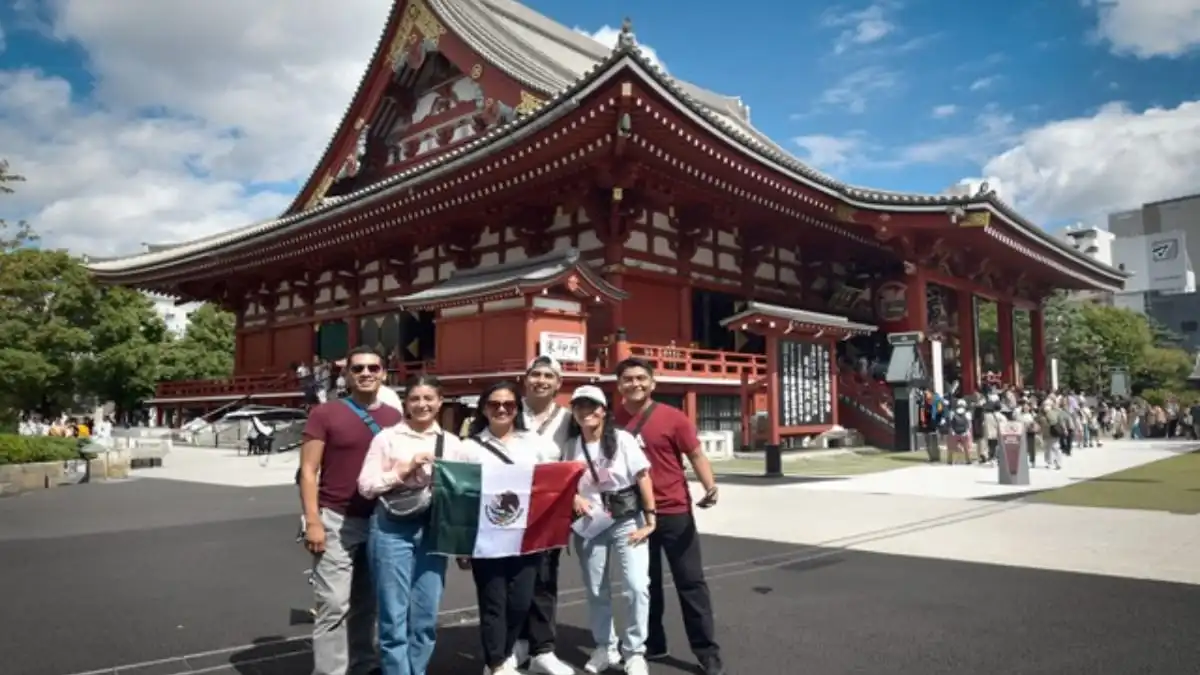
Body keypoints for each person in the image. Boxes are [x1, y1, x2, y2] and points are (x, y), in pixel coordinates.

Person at [612, 358, 725, 675]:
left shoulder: (673, 418)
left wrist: (710, 486)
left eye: (641, 378)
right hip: (634, 514)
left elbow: (696, 454)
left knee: (690, 583)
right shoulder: (612, 420)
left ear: (652, 383)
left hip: (674, 511)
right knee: (644, 585)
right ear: (619, 384)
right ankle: (652, 643)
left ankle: (706, 651)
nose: (635, 384)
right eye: (628, 379)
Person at [299, 346, 404, 675]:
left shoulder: (394, 417)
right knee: (333, 604)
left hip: (380, 520)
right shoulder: (325, 414)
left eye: (373, 367)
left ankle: (362, 664)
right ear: (347, 375)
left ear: (384, 374)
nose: (366, 373)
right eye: (358, 368)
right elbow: (307, 470)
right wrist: (312, 520)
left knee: (366, 602)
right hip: (335, 517)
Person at [357, 374, 467, 675]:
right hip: (392, 527)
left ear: (440, 401)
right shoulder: (387, 438)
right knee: (393, 615)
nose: (422, 404)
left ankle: (415, 670)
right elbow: (365, 486)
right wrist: (402, 471)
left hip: (434, 530)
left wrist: (462, 544)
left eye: (428, 398)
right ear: (406, 402)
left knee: (425, 615)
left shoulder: (453, 443)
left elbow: (461, 495)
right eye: (415, 398)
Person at [459, 381, 561, 675]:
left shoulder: (535, 444)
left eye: (509, 404)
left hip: (526, 537)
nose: (502, 409)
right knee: (493, 602)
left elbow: (554, 479)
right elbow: (460, 496)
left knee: (520, 600)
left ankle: (505, 653)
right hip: (486, 539)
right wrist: (462, 543)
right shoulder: (469, 447)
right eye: (494, 404)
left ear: (517, 408)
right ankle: (495, 661)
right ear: (483, 408)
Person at [566, 385, 657, 675]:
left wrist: (651, 517)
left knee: (636, 586)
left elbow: (642, 476)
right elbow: (563, 481)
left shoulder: (622, 439)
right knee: (596, 589)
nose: (586, 412)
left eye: (592, 406)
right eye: (579, 406)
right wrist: (573, 497)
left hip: (627, 519)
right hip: (590, 524)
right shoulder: (571, 445)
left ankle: (635, 651)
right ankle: (605, 646)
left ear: (604, 410)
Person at [511, 357, 574, 675]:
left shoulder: (569, 418)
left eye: (549, 376)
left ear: (558, 383)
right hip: (509, 505)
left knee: (545, 578)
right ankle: (512, 643)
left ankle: (542, 649)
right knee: (509, 577)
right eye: (535, 374)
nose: (541, 380)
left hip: (550, 508)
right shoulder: (507, 408)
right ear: (525, 379)